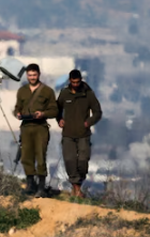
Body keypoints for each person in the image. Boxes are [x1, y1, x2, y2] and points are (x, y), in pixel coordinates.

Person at [56, 69, 102, 198]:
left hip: (83, 134)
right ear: (70, 81)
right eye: (73, 82)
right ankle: (76, 188)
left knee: (83, 161)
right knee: (69, 160)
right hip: (68, 134)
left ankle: (78, 186)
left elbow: (98, 112)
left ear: (81, 80)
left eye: (77, 82)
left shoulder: (88, 94)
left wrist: (89, 122)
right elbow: (57, 109)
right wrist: (59, 119)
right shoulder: (65, 93)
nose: (75, 84)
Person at [14, 63, 59, 197]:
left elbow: (54, 110)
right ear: (27, 76)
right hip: (26, 127)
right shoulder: (22, 91)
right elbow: (17, 107)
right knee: (26, 156)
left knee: (40, 156)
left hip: (40, 127)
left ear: (38, 75)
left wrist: (43, 114)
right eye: (29, 75)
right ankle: (30, 184)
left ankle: (41, 186)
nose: (32, 77)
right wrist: (17, 114)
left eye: (34, 75)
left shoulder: (47, 91)